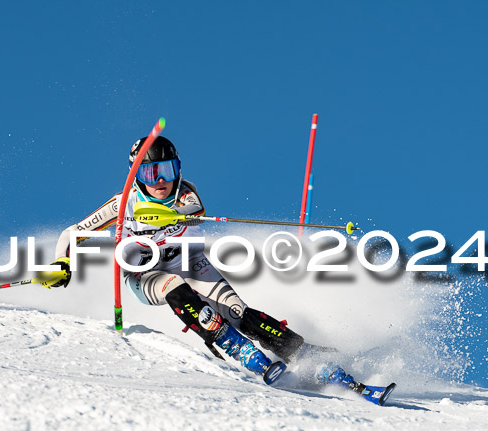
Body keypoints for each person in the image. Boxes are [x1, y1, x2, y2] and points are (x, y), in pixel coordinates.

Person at [40, 136, 351, 389]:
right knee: (174, 288)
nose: (161, 180)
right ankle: (230, 343)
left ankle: (301, 352)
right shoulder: (123, 204)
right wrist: (62, 262)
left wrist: (168, 215)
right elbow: (72, 232)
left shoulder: (184, 193)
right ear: (137, 178)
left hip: (188, 261)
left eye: (168, 170)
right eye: (150, 173)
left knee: (238, 311)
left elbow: (194, 208)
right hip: (145, 274)